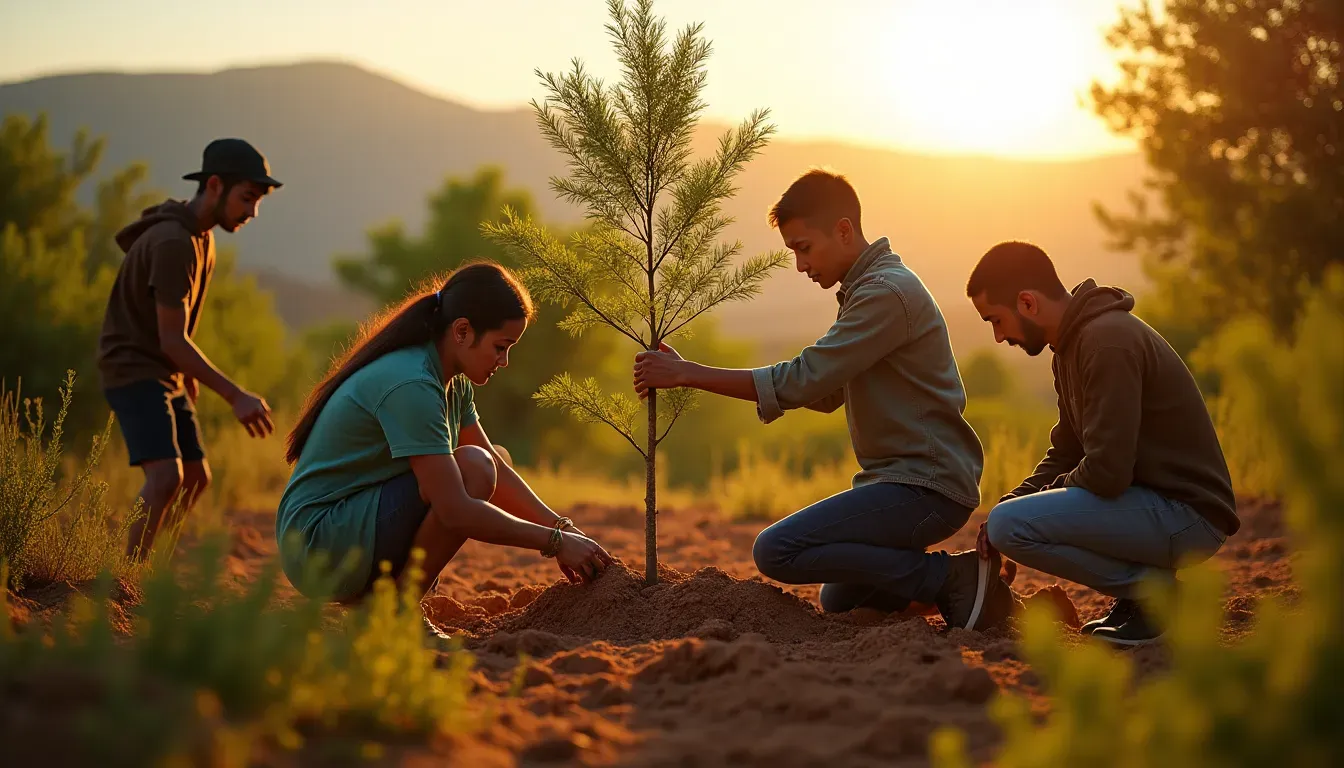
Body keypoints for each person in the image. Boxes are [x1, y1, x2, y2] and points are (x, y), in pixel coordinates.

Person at [633, 168, 1017, 632]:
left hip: (925, 487)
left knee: (776, 550)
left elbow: (804, 380)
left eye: (803, 248)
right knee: (840, 596)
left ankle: (950, 578)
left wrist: (690, 374)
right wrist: (697, 373)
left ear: (843, 230)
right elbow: (826, 392)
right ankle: (952, 583)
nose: (800, 265)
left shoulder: (885, 293)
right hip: (903, 484)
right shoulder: (868, 289)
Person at [276, 261, 614, 607]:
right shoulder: (412, 383)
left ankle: (383, 602)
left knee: (489, 463)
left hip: (353, 525)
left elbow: (494, 465)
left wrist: (562, 527)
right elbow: (455, 509)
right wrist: (554, 542)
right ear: (462, 331)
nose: (505, 361)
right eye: (501, 347)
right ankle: (396, 610)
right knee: (474, 469)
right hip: (317, 546)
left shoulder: (452, 382)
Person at [965, 241, 1238, 647]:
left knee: (1012, 527)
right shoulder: (1072, 347)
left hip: (1188, 515)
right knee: (1008, 519)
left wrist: (1025, 511)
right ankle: (1142, 597)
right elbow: (1067, 451)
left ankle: (1154, 596)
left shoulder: (1107, 342)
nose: (999, 336)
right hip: (1152, 505)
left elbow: (1107, 473)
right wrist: (1015, 500)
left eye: (997, 320)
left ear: (1027, 302)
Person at [97, 138, 280, 562]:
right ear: (214, 185)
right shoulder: (173, 241)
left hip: (163, 371)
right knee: (165, 477)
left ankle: (153, 564)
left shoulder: (201, 239)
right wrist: (235, 395)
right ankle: (128, 575)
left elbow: (174, 334)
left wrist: (184, 375)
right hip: (133, 367)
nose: (252, 211)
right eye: (247, 198)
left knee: (195, 478)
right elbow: (171, 339)